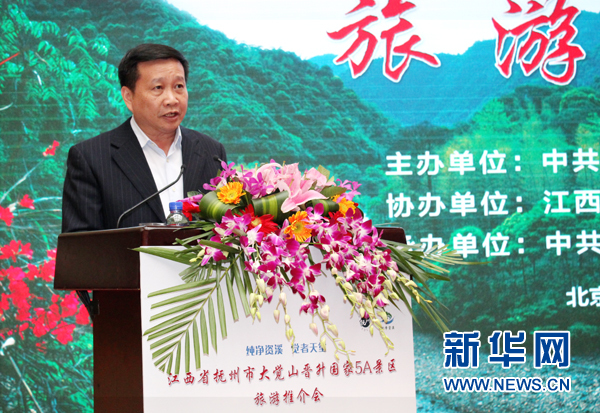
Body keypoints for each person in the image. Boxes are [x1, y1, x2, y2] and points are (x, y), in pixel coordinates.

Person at [61, 44, 226, 232]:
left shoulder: (211, 152)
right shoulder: (91, 158)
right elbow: (79, 243)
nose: (172, 99)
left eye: (178, 86)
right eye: (158, 88)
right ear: (128, 97)